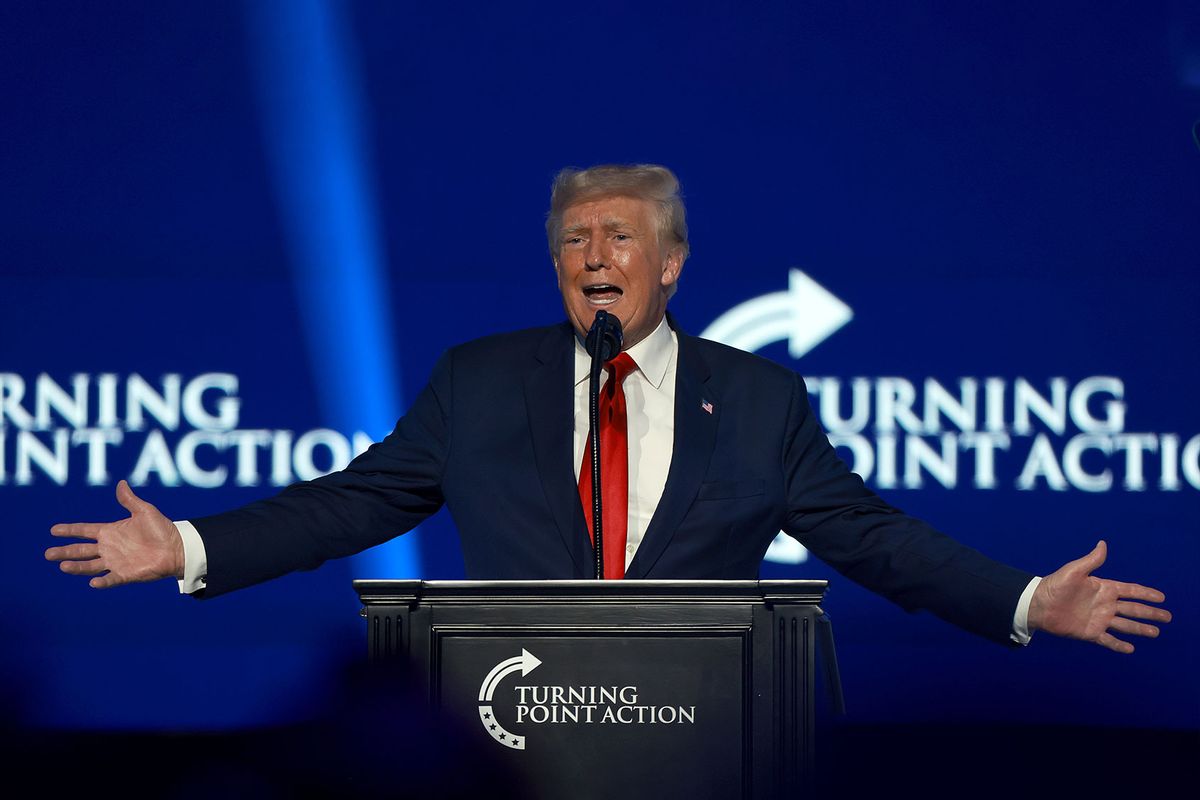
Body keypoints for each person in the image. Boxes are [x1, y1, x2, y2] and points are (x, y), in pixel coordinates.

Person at [46, 164, 1170, 652]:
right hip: (515, 736)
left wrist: (1024, 600)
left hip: (703, 746)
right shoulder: (480, 381)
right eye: (574, 240)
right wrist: (191, 541)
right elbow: (354, 504)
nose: (595, 255)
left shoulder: (762, 395)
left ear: (672, 263)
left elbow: (871, 538)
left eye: (619, 235)